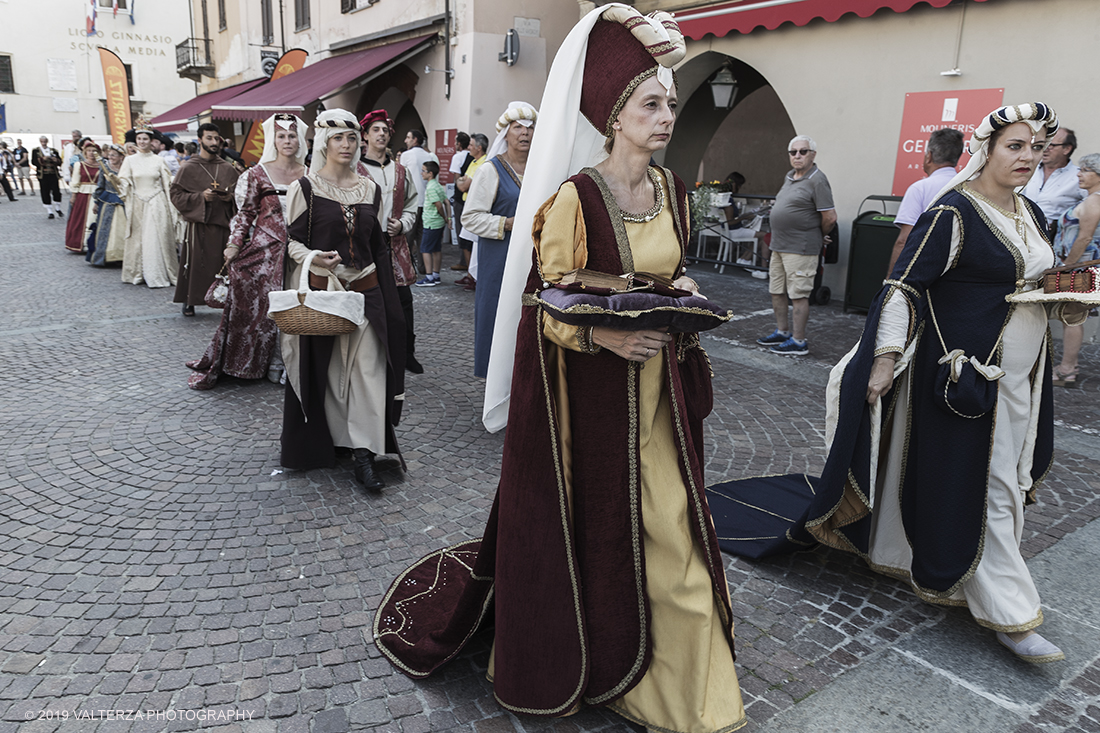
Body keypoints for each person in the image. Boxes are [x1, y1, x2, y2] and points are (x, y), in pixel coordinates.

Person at [375, 8, 746, 731]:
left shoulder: (672, 192)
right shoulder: (574, 197)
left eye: (670, 102)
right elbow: (543, 303)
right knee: (599, 530)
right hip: (592, 405)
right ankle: (610, 659)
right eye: (652, 103)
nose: (667, 114)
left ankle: (681, 684)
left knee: (673, 530)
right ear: (613, 114)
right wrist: (603, 342)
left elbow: (667, 277)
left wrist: (686, 295)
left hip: (661, 397)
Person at [810, 103, 1082, 664]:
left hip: (1024, 377)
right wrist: (883, 359)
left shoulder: (1029, 212)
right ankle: (1010, 613)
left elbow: (1030, 281)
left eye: (1036, 148)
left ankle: (915, 552)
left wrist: (1067, 299)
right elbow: (904, 286)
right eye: (1016, 146)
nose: (1028, 157)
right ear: (987, 149)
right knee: (992, 485)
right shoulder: (953, 212)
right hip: (969, 374)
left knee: (989, 479)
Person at [280, 109, 406, 493]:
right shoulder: (304, 188)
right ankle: (336, 441)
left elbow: (378, 247)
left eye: (352, 138)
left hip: (366, 291)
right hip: (326, 294)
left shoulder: (371, 189)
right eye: (339, 139)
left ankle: (365, 454)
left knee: (369, 370)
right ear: (324, 142)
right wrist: (314, 257)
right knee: (333, 374)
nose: (347, 146)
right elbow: (291, 243)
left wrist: (391, 299)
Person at [186, 114, 307, 390]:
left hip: (301, 251)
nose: (287, 141)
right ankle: (264, 363)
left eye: (291, 135)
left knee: (296, 307)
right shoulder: (257, 174)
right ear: (272, 140)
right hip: (265, 252)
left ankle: (289, 363)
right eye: (281, 135)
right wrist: (234, 244)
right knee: (265, 310)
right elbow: (245, 213)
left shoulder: (310, 173)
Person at [461, 102, 537, 377]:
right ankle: (498, 383)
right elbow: (470, 218)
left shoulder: (542, 169)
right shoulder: (489, 171)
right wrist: (506, 223)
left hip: (534, 259)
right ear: (505, 133)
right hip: (499, 260)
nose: (525, 134)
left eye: (530, 128)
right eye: (518, 127)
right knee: (498, 319)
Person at [755, 135, 835, 355]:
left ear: (813, 155)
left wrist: (818, 235)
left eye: (803, 151)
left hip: (801, 248)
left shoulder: (818, 180)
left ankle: (799, 342)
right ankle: (782, 332)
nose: (797, 155)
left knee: (799, 295)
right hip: (779, 246)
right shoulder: (790, 177)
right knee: (776, 291)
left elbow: (829, 217)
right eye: (793, 152)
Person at [357, 109, 423, 375]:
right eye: (376, 130)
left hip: (394, 245)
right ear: (365, 135)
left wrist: (403, 225)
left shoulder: (400, 170)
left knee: (403, 300)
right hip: (364, 246)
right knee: (368, 298)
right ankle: (370, 353)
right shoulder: (356, 169)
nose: (382, 134)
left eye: (385, 130)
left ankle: (406, 352)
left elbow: (411, 205)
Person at [171, 122, 240, 316]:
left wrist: (230, 198)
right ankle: (190, 300)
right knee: (195, 264)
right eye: (208, 138)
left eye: (216, 138)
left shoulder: (227, 168)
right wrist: (200, 197)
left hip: (223, 224)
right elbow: (175, 195)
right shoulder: (188, 168)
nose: (213, 142)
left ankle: (227, 300)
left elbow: (241, 196)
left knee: (224, 264)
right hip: (199, 225)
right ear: (200, 140)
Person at [1050, 152, 1100, 387]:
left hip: (1081, 267)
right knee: (1072, 316)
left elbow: (1085, 237)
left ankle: (1067, 368)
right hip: (1084, 266)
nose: (1078, 175)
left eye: (1085, 171)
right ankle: (1068, 367)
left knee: (1072, 317)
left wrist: (1068, 266)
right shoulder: (1092, 198)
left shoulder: (1094, 200)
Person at [886, 127, 964, 274]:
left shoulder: (919, 189)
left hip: (922, 274)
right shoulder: (968, 188)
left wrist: (890, 281)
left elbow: (904, 241)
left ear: (929, 156)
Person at [113, 124, 178, 288]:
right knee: (139, 238)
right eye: (139, 139)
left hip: (157, 202)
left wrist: (172, 206)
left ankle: (159, 272)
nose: (141, 142)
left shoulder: (159, 160)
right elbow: (125, 181)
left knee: (156, 237)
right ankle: (138, 273)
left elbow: (167, 183)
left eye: (145, 139)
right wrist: (118, 183)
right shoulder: (129, 160)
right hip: (137, 202)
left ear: (151, 141)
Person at [1022, 126, 1085, 238]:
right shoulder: (1028, 169)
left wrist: (1064, 223)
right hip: (1022, 232)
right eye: (1042, 145)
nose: (1045, 149)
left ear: (1067, 149)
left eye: (1051, 145)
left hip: (1053, 238)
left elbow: (1091, 208)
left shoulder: (1078, 176)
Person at [399, 129, 438, 268]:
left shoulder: (406, 155)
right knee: (422, 235)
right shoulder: (430, 156)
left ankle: (406, 267)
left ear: (415, 140)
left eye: (408, 137)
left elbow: (401, 177)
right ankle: (423, 267)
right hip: (427, 200)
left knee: (408, 236)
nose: (406, 140)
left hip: (411, 200)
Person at [454, 133, 488, 289]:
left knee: (471, 243)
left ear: (479, 148)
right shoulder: (473, 162)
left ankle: (473, 277)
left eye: (471, 145)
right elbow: (462, 183)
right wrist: (463, 181)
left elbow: (463, 184)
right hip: (467, 204)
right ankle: (470, 275)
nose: (468, 148)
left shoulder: (484, 163)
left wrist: (462, 181)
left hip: (476, 208)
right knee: (466, 242)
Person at [89, 143, 128, 267]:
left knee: (124, 228)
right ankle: (105, 256)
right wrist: (96, 202)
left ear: (121, 157)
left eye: (114, 155)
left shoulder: (126, 169)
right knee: (106, 228)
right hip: (108, 201)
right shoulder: (104, 167)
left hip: (124, 201)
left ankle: (124, 256)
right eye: (110, 155)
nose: (111, 157)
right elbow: (100, 186)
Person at [64, 139, 101, 253]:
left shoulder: (102, 166)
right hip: (82, 195)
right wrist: (74, 195)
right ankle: (80, 243)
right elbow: (75, 181)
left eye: (93, 151)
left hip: (96, 195)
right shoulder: (79, 165)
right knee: (81, 219)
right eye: (89, 150)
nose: (91, 153)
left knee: (94, 219)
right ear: (85, 152)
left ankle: (93, 243)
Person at [415, 161, 448, 286]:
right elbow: (446, 202)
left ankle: (429, 277)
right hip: (438, 223)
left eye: (424, 171)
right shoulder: (438, 185)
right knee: (436, 249)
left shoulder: (431, 187)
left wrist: (444, 216)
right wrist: (447, 219)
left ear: (430, 173)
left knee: (425, 249)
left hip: (431, 222)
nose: (421, 173)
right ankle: (436, 274)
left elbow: (439, 204)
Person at [448, 131, 471, 271]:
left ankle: (463, 261)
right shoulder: (473, 158)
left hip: (460, 197)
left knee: (460, 230)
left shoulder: (457, 157)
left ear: (459, 143)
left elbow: (456, 177)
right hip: (470, 197)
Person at [32, 136, 64, 220]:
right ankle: (49, 210)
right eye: (42, 141)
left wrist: (55, 160)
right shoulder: (36, 151)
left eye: (45, 141)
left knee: (56, 191)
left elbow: (60, 161)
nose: (44, 143)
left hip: (53, 174)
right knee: (45, 192)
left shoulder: (53, 150)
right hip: (43, 175)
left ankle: (58, 208)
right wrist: (42, 159)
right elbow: (34, 161)